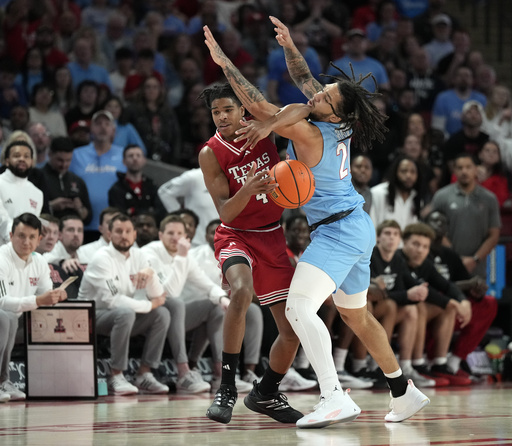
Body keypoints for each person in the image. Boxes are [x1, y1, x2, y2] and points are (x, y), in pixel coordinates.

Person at [204, 16, 429, 428]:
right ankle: (403, 392)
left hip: (338, 232)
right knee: (356, 315)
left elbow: (255, 104)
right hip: (358, 227)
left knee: (299, 308)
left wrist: (223, 63)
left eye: (323, 96)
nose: (316, 95)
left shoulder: (310, 133)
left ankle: (333, 395)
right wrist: (290, 46)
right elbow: (304, 77)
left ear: (331, 110)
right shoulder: (339, 122)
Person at [198, 80, 304, 425]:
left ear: (242, 110)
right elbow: (225, 212)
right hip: (236, 235)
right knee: (242, 292)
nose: (222, 117)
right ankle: (226, 388)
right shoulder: (210, 152)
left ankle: (266, 393)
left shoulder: (262, 131)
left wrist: (270, 124)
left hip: (272, 236)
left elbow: (301, 110)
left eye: (228, 109)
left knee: (292, 332)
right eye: (216, 112)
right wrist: (248, 188)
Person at [142, 215, 236, 394]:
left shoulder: (185, 257)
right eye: (170, 233)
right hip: (148, 315)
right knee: (175, 304)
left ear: (186, 237)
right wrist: (181, 257)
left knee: (216, 307)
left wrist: (223, 299)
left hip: (174, 317)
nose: (175, 238)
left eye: (179, 233)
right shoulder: (149, 254)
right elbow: (167, 295)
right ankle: (183, 372)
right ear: (160, 235)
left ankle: (221, 373)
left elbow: (206, 284)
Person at [78, 213, 170, 395]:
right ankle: (116, 375)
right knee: (126, 312)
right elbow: (113, 300)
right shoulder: (101, 258)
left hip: (120, 316)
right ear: (109, 234)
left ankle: (144, 374)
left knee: (162, 314)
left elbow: (158, 295)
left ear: (135, 235)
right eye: (119, 231)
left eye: (128, 231)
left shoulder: (139, 255)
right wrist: (149, 305)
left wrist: (150, 272)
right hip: (91, 316)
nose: (124, 235)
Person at [0, 213, 67, 402]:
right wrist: (38, 301)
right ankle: (2, 379)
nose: (26, 241)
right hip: (4, 317)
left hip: (19, 319)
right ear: (11, 236)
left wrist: (56, 296)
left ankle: (54, 380)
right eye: (21, 236)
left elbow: (47, 293)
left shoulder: (39, 261)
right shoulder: (1, 258)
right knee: (7, 317)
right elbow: (2, 301)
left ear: (39, 240)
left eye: (31, 237)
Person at [425, 210, 497, 380]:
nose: (438, 226)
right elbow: (427, 286)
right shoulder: (420, 250)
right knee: (447, 300)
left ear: (447, 230)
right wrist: (466, 286)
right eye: (434, 221)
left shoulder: (449, 254)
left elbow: (465, 284)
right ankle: (430, 361)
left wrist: (475, 291)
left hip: (453, 308)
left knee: (488, 302)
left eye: (442, 223)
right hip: (430, 306)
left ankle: (455, 361)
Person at [430, 153, 501, 280]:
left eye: (468, 167)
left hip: (477, 267)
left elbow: (494, 235)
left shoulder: (489, 199)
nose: (464, 171)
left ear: (476, 169)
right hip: (446, 265)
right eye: (460, 168)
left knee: (476, 298)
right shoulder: (441, 196)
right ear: (454, 171)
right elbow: (435, 231)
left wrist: (475, 259)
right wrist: (457, 259)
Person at [69, 110, 125, 242]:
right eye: (98, 123)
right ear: (91, 129)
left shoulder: (124, 155)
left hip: (114, 225)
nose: (103, 127)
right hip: (82, 224)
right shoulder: (77, 155)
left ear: (113, 130)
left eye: (107, 124)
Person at [32, 136, 92, 225]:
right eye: (60, 160)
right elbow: (29, 209)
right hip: (47, 232)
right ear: (50, 154)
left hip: (73, 233)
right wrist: (51, 206)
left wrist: (80, 208)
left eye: (68, 160)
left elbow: (88, 218)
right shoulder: (37, 177)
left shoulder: (78, 181)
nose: (64, 165)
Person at [158, 168, 219, 248]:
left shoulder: (232, 177)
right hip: (194, 244)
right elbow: (165, 192)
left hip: (223, 245)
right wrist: (180, 217)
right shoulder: (194, 177)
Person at [0, 140, 44, 245]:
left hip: (24, 251)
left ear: (32, 161)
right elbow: (2, 219)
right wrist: (16, 243)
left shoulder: (37, 193)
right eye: (16, 155)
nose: (22, 159)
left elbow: (33, 227)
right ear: (7, 160)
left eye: (26, 156)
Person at [108, 144, 165, 221]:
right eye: (131, 156)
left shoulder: (152, 186)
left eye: (138, 155)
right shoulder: (116, 189)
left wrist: (133, 211)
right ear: (124, 161)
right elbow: (119, 216)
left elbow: (160, 212)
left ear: (144, 160)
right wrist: (148, 212)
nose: (135, 159)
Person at [370, 155, 427, 230]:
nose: (408, 175)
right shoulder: (378, 193)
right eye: (404, 171)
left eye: (413, 172)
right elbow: (371, 226)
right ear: (395, 173)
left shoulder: (417, 199)